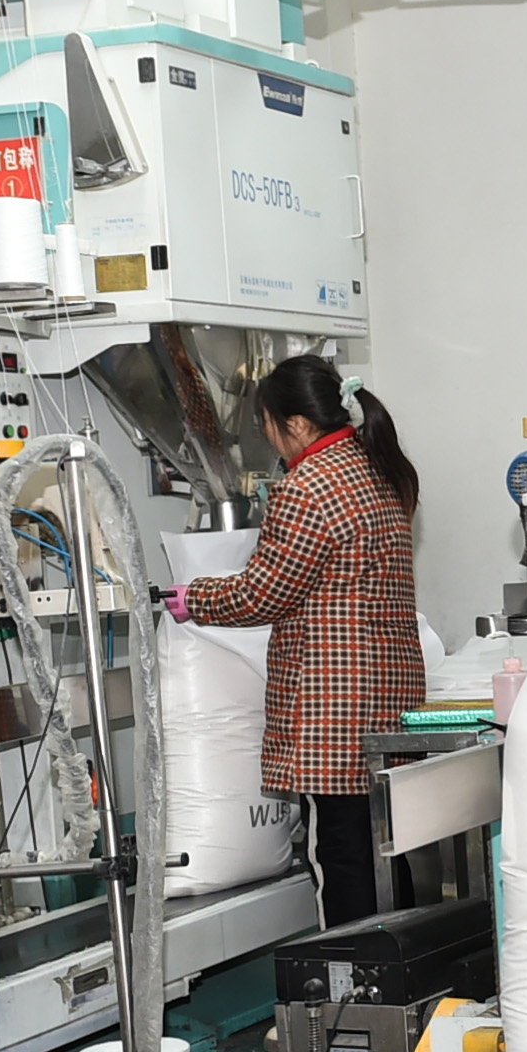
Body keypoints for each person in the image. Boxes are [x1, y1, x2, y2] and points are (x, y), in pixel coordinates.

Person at [162, 356, 426, 926]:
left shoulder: (308, 487)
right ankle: (399, 961)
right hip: (386, 694)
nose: (271, 440)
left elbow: (262, 593)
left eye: (268, 427)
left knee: (339, 854)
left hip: (334, 707)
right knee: (383, 848)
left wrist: (194, 597)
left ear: (299, 424)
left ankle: (352, 967)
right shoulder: (374, 469)